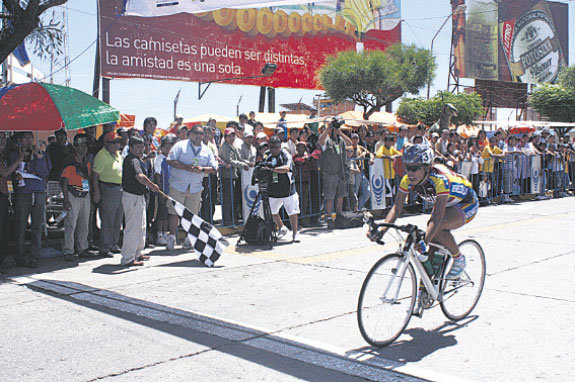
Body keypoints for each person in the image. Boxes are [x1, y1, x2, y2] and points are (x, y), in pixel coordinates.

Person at [368, 144, 478, 278]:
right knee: (429, 256)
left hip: (466, 203)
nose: (410, 173)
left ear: (427, 167)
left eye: (415, 168)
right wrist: (382, 231)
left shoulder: (439, 180)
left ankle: (459, 259)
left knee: (437, 228)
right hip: (447, 203)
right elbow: (396, 208)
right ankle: (429, 289)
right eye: (407, 168)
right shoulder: (407, 180)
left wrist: (423, 242)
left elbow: (436, 218)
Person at [166, 125, 217, 250]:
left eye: (201, 133)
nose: (199, 136)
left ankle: (190, 239)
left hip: (195, 187)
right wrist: (185, 167)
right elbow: (170, 160)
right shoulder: (180, 146)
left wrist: (202, 169)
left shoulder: (207, 150)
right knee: (174, 213)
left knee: (192, 215)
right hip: (178, 185)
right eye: (196, 133)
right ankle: (172, 238)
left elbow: (215, 168)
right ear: (190, 134)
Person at [10, 131, 52, 268]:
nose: (28, 141)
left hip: (38, 192)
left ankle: (34, 256)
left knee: (37, 226)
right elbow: (12, 173)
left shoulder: (41, 153)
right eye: (25, 138)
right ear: (20, 140)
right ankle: (20, 256)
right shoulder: (15, 154)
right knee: (20, 225)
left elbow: (45, 172)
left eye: (30, 138)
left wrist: (39, 158)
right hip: (23, 193)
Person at [121, 136, 161, 266]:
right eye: (137, 147)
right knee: (132, 227)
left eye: (141, 147)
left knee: (141, 226)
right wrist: (152, 185)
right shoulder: (132, 160)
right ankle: (128, 258)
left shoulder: (138, 160)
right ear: (131, 148)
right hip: (132, 197)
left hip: (139, 196)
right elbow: (140, 176)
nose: (140, 149)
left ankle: (138, 252)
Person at [60, 134, 95, 262]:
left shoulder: (86, 162)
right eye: (81, 145)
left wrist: (87, 195)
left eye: (85, 146)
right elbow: (64, 181)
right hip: (71, 194)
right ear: (75, 147)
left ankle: (82, 248)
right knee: (70, 224)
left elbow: (86, 180)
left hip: (84, 195)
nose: (83, 148)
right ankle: (69, 250)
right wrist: (65, 199)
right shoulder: (69, 161)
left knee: (84, 224)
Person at [262, 136, 300, 242]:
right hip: (273, 188)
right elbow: (263, 165)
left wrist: (273, 169)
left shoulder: (285, 155)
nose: (274, 149)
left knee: (292, 211)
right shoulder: (267, 155)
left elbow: (287, 168)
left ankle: (295, 233)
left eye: (276, 147)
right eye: (272, 147)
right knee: (272, 211)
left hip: (287, 188)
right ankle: (282, 227)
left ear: (280, 146)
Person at [92, 131, 124, 257]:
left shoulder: (118, 154)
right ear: (106, 143)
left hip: (119, 188)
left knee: (117, 218)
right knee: (108, 219)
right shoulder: (102, 155)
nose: (116, 145)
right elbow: (95, 175)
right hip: (107, 188)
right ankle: (105, 247)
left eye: (118, 142)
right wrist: (97, 192)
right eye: (113, 142)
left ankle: (113, 243)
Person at [319, 118, 352, 229]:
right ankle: (329, 218)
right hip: (329, 174)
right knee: (329, 197)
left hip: (340, 173)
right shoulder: (327, 140)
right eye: (335, 128)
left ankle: (338, 216)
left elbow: (350, 143)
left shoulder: (341, 140)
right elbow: (321, 141)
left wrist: (340, 132)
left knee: (340, 196)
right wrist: (328, 128)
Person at [0, 132, 26, 265]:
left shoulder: (4, 155)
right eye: (0, 137)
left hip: (4, 195)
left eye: (4, 138)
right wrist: (19, 159)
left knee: (4, 231)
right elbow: (4, 172)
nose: (3, 140)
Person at [219, 127, 248, 227]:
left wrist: (246, 162)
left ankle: (232, 219)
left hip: (233, 176)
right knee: (228, 200)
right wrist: (242, 165)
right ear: (225, 137)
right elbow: (230, 161)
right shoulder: (225, 147)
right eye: (229, 136)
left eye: (233, 135)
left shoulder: (233, 146)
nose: (231, 137)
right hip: (227, 177)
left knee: (233, 199)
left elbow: (239, 158)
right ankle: (227, 221)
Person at [153, 134, 176, 246]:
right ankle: (159, 234)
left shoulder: (170, 159)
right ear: (161, 148)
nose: (168, 149)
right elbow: (157, 175)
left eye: (170, 147)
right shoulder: (159, 159)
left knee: (168, 214)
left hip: (170, 191)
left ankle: (165, 233)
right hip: (162, 191)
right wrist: (160, 190)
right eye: (166, 147)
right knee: (161, 215)